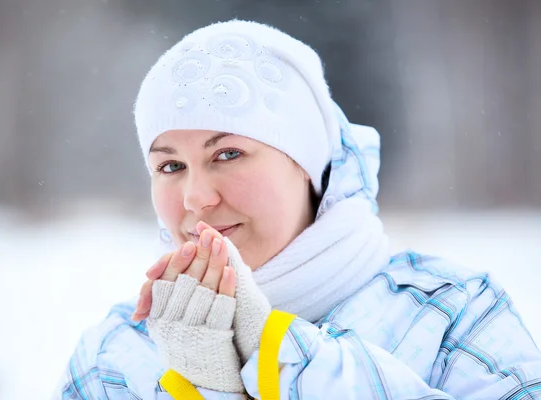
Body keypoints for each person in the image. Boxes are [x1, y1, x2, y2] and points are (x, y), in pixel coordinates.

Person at [54, 20, 541, 399]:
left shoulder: (452, 314)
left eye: (227, 154)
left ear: (307, 164)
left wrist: (283, 358)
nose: (195, 197)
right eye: (170, 166)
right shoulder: (117, 355)